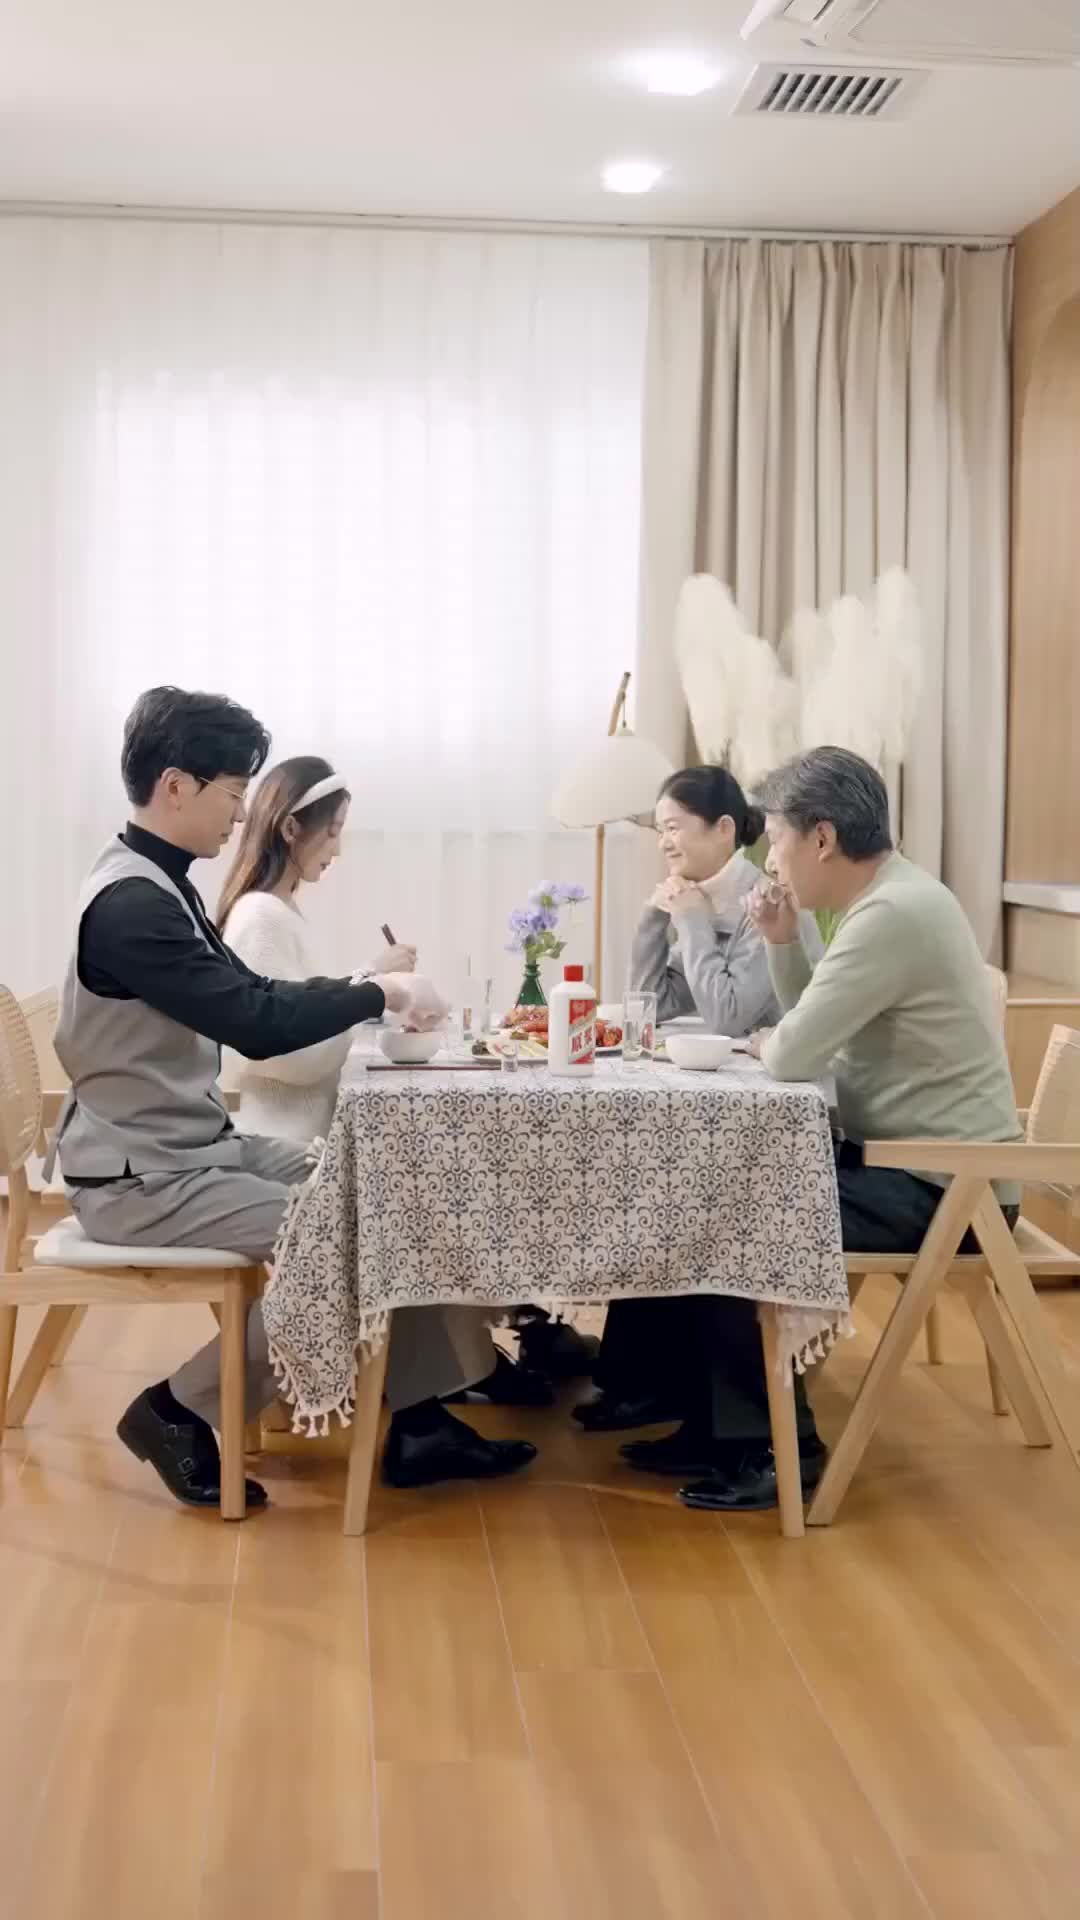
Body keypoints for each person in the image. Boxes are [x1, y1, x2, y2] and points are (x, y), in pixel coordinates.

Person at [48, 687, 537, 1511]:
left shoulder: (161, 884)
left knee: (397, 1194)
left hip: (193, 1150)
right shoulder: (132, 907)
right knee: (352, 1237)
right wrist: (378, 993)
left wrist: (365, 987)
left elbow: (254, 994)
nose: (243, 814)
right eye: (234, 793)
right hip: (143, 1179)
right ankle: (177, 1408)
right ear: (176, 787)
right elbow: (256, 1024)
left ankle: (420, 1419)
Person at [647, 745, 1021, 1513]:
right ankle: (716, 1425)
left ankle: (773, 1449)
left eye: (778, 839)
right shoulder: (888, 901)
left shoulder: (891, 915)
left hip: (949, 1188)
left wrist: (776, 1039)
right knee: (705, 1192)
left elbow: (792, 1050)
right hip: (912, 1165)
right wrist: (783, 940)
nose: (771, 860)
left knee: (726, 1217)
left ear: (821, 837)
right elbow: (809, 1026)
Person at [217, 752, 555, 1409]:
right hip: (289, 1138)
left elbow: (297, 1008)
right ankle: (442, 1390)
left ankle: (462, 1369)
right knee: (420, 1197)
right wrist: (370, 989)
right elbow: (282, 1052)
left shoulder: (277, 912)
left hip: (308, 1126)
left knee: (431, 1182)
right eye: (334, 831)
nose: (338, 849)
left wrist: (366, 984)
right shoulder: (260, 918)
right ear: (291, 828)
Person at [577, 763, 820, 1433]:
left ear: (724, 829)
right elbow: (647, 1008)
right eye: (659, 830)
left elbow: (728, 1015)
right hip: (725, 1101)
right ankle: (644, 1383)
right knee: (652, 1184)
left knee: (680, 1193)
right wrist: (653, 920)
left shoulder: (762, 902)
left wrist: (687, 922)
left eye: (675, 827)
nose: (665, 842)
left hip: (782, 1119)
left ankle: (663, 1390)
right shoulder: (695, 896)